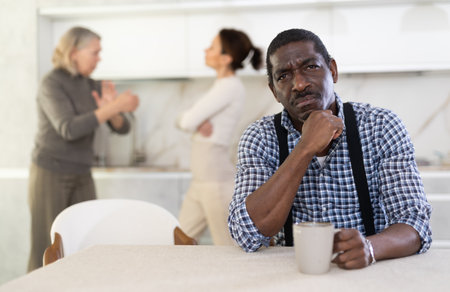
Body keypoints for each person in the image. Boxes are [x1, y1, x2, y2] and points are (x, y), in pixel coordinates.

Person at [228, 28, 432, 269]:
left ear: (332, 70)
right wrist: (304, 148)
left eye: (310, 67)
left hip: (370, 273)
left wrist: (370, 248)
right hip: (292, 276)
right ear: (274, 91)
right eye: (283, 76)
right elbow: (246, 234)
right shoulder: (260, 137)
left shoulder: (381, 127)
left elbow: (415, 224)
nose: (300, 84)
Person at [28, 26, 139, 271]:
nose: (99, 59)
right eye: (95, 52)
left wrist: (114, 111)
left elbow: (123, 128)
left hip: (81, 172)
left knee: (85, 241)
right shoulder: (52, 83)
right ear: (74, 52)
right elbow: (68, 128)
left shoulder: (91, 84)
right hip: (51, 172)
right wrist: (112, 108)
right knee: (46, 248)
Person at [177, 28, 262, 245]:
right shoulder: (220, 86)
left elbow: (186, 121)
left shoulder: (229, 87)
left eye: (212, 47)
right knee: (178, 241)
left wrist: (192, 123)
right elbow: (185, 120)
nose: (206, 50)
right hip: (203, 179)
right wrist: (192, 123)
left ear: (226, 58)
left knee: (228, 249)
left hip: (214, 180)